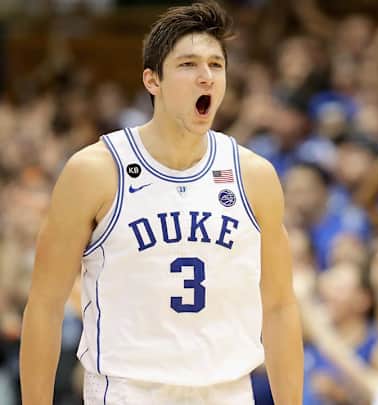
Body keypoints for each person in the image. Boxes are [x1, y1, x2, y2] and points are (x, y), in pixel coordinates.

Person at [19, 2, 303, 404]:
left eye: (216, 65)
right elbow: (46, 304)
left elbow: (279, 306)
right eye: (188, 65)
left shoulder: (253, 176)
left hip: (228, 392)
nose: (206, 76)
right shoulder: (95, 171)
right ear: (152, 80)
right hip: (128, 391)